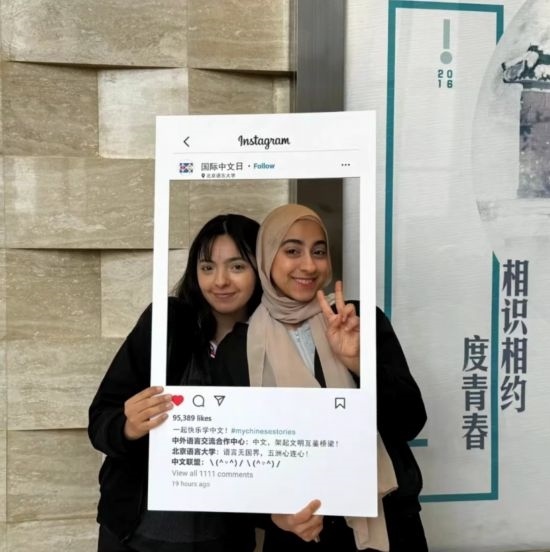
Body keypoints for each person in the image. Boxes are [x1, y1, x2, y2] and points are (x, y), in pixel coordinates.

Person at [215, 204, 428, 551]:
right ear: (266, 257)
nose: (309, 265)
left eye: (319, 251)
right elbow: (233, 458)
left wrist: (358, 363)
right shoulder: (237, 349)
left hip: (387, 522)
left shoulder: (357, 320)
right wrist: (274, 517)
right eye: (292, 251)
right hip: (300, 535)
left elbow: (410, 422)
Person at [88, 214, 262, 552]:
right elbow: (101, 419)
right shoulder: (165, 323)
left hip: (222, 536)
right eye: (207, 267)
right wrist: (127, 427)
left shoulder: (272, 341)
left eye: (237, 267)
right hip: (133, 531)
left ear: (261, 269)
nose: (220, 281)